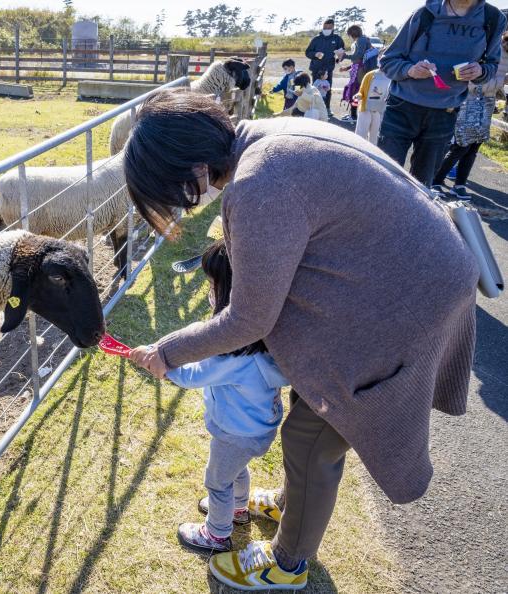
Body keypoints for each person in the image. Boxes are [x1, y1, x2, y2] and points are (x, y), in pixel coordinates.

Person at [123, 89, 477, 591]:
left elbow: (250, 318)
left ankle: (287, 563)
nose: (180, 204)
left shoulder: (259, 183)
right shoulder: (267, 138)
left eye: (170, 188)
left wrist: (167, 351)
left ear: (191, 166)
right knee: (309, 405)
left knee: (312, 437)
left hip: (409, 298)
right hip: (409, 275)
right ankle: (292, 504)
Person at [161, 240, 288, 555]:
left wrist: (165, 368)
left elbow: (193, 375)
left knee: (218, 481)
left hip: (234, 432)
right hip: (259, 428)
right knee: (236, 469)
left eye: (212, 285)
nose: (209, 291)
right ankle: (238, 509)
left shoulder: (231, 354)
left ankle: (216, 535)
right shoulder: (262, 340)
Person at [378, 0, 507, 187]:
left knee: (422, 186)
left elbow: (491, 66)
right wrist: (410, 70)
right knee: (384, 179)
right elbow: (388, 61)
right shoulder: (424, 14)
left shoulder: (493, 19)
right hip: (401, 109)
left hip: (445, 114)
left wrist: (480, 71)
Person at [432, 29, 508, 199]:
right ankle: (435, 180)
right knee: (461, 145)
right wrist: (501, 82)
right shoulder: (489, 49)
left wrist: (500, 84)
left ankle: (459, 185)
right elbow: (472, 83)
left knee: (475, 146)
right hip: (470, 101)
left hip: (487, 102)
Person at [305, 18, 345, 115]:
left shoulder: (337, 39)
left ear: (333, 27)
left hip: (328, 69)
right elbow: (307, 52)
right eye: (325, 27)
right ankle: (314, 107)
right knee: (315, 88)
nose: (327, 29)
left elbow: (341, 52)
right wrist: (315, 54)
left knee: (327, 88)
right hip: (316, 68)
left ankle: (327, 108)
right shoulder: (316, 39)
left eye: (329, 27)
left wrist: (339, 58)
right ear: (323, 27)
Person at [339, 24, 375, 121]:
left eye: (349, 34)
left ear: (352, 33)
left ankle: (354, 115)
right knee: (356, 90)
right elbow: (359, 59)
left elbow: (359, 56)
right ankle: (354, 114)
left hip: (360, 70)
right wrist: (347, 67)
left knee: (355, 90)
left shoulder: (361, 40)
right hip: (358, 69)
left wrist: (345, 56)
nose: (349, 37)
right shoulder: (361, 40)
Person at [354, 68, 391, 144]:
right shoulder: (370, 75)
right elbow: (361, 91)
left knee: (374, 136)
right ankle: (358, 150)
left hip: (379, 111)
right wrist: (359, 96)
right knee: (361, 133)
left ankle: (372, 153)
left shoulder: (391, 76)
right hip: (366, 109)